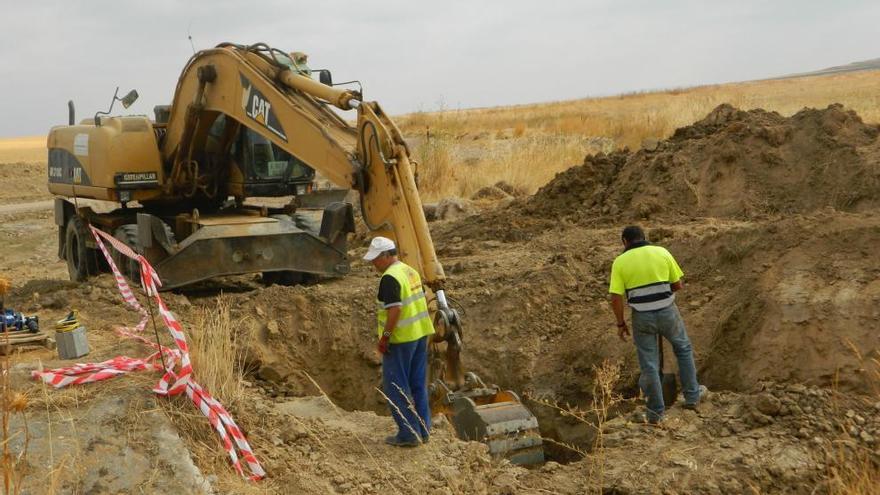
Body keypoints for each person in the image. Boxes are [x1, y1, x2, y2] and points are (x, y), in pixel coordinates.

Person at [608, 226, 704, 424]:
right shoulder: (662, 252)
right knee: (683, 349)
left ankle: (655, 413)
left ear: (625, 242)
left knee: (649, 364)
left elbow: (616, 297)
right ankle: (692, 397)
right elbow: (678, 285)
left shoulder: (620, 262)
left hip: (641, 317)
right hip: (668, 311)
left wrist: (620, 323)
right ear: (644, 238)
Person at [364, 236, 435, 447]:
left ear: (386, 256)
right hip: (420, 334)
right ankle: (423, 430)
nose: (373, 264)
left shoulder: (390, 278)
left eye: (376, 259)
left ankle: (408, 434)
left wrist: (385, 337)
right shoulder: (410, 271)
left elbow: (395, 309)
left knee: (395, 387)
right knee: (417, 385)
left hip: (401, 339)